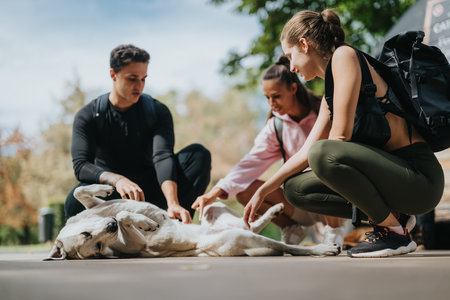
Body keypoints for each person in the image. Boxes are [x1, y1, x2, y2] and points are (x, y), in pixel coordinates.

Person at [243, 9, 445, 257]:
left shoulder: (344, 56)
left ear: (304, 44)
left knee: (323, 152)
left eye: (289, 56)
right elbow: (306, 151)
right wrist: (262, 191)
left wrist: (322, 153)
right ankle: (396, 218)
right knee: (295, 188)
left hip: (419, 179)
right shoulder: (332, 88)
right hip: (395, 182)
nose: (291, 66)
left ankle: (393, 233)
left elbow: (338, 139)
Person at [192, 56, 345, 246]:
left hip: (335, 199)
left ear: (293, 88)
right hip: (298, 199)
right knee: (245, 190)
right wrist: (215, 192)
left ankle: (335, 230)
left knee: (321, 167)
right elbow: (250, 163)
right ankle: (291, 228)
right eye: (267, 98)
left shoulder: (324, 109)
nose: (271, 103)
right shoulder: (276, 127)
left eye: (276, 96)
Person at [65, 44, 211, 223]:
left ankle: (175, 222)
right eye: (132, 78)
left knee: (198, 155)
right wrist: (117, 180)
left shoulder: (157, 111)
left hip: (150, 190)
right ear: (113, 75)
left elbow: (163, 156)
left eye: (143, 79)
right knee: (74, 200)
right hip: (114, 193)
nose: (139, 86)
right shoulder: (88, 115)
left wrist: (173, 202)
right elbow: (81, 165)